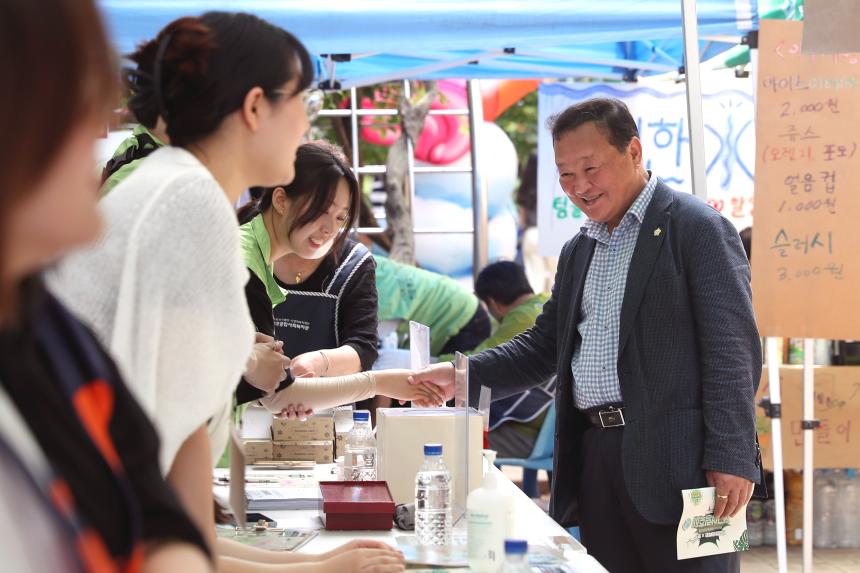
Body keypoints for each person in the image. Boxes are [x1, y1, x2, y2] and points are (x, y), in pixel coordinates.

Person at [52, 12, 408, 573]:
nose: (305, 123)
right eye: (302, 102)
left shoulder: (169, 183)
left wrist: (311, 565)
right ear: (254, 108)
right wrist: (317, 570)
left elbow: (173, 512)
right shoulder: (192, 204)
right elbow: (148, 522)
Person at [410, 98, 762, 572]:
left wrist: (732, 454)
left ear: (634, 151)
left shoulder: (696, 228)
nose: (580, 186)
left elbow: (733, 352)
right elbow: (543, 346)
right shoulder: (580, 248)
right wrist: (460, 375)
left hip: (684, 465)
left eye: (590, 168)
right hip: (598, 454)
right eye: (566, 174)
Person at [0, 0, 211, 570]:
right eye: (79, 95)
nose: (104, 122)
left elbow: (153, 505)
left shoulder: (48, 328)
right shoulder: (185, 198)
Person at [235, 142, 381, 409]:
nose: (328, 229)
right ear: (280, 200)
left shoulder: (354, 263)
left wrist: (316, 364)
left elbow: (363, 346)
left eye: (340, 218)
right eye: (321, 210)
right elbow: (278, 396)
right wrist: (384, 384)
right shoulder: (244, 263)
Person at [442, 261, 553, 459]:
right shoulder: (547, 303)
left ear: (493, 303)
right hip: (549, 425)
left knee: (447, 441)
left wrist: (438, 362)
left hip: (527, 430)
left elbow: (482, 359)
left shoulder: (522, 317)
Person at [374, 255, 491, 356]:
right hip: (461, 306)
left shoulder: (376, 293)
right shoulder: (369, 263)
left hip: (462, 318)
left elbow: (366, 342)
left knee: (448, 376)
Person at [516, 153, 558, 294]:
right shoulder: (558, 187)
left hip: (532, 233)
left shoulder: (526, 190)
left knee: (534, 284)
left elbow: (521, 207)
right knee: (557, 284)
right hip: (555, 233)